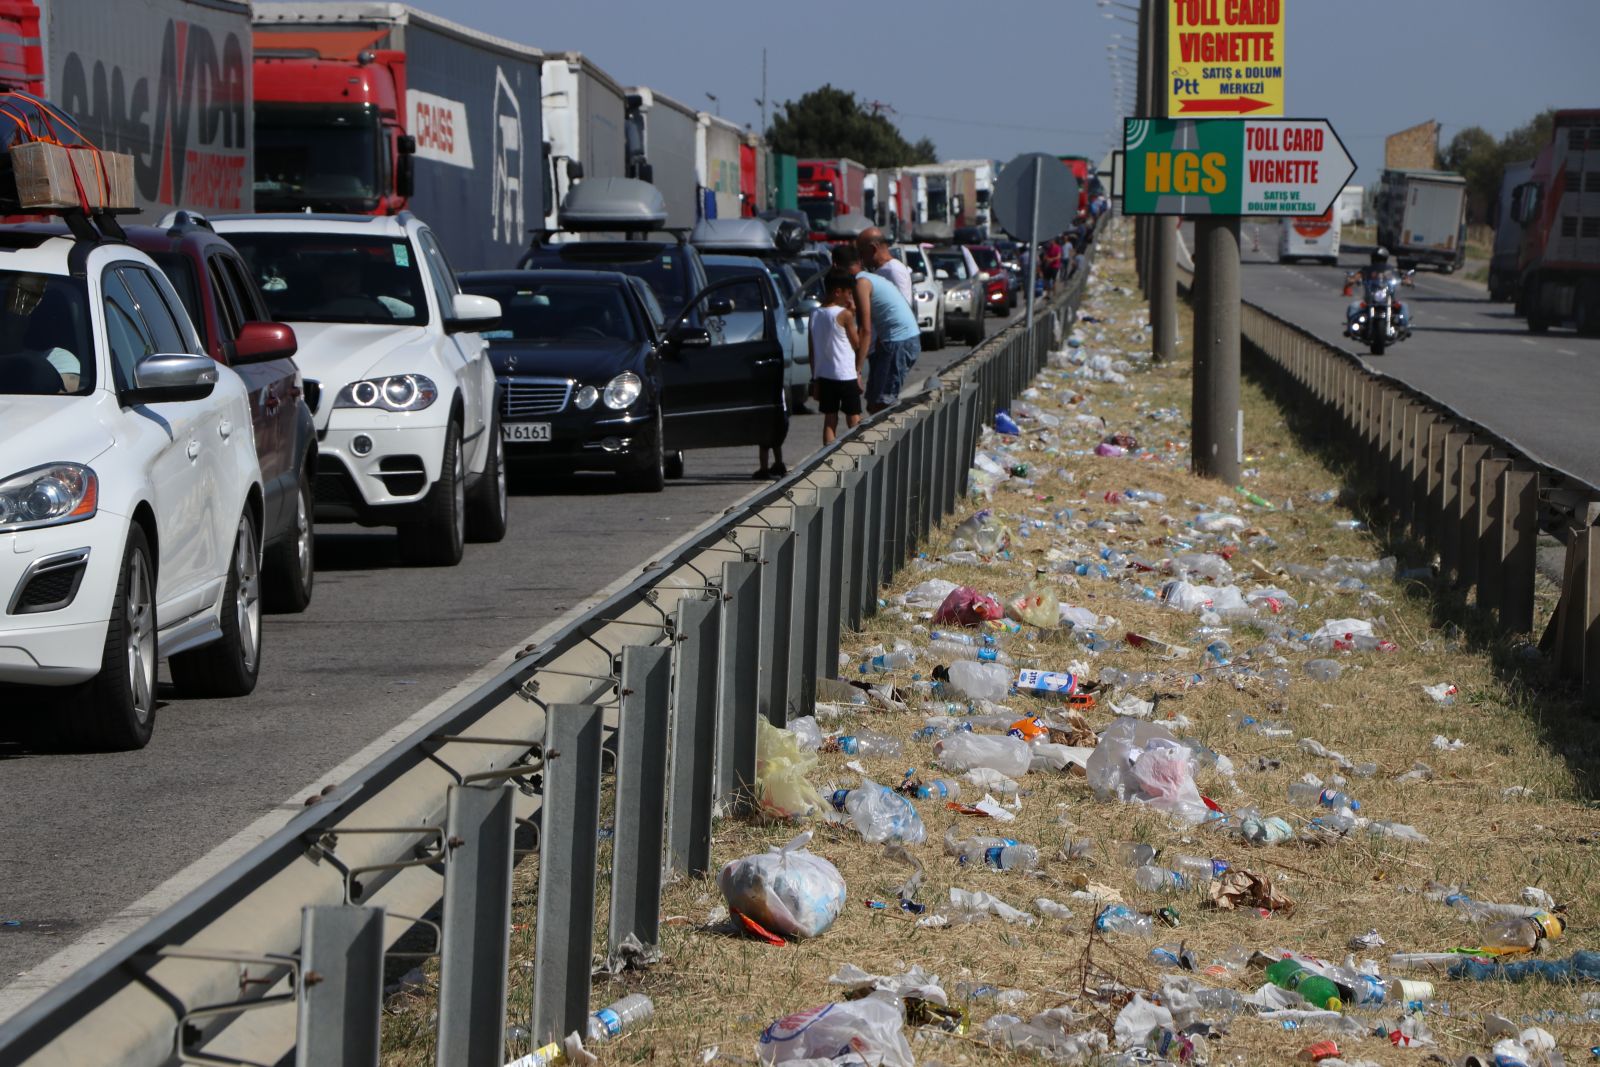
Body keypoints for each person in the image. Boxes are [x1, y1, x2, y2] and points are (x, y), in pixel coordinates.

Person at [832, 242, 920, 415]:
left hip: (899, 342)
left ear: (835, 265)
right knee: (873, 402)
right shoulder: (869, 278)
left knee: (882, 403)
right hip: (896, 340)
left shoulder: (861, 283)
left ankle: (894, 441)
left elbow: (865, 330)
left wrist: (856, 369)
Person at [807, 268, 865, 444]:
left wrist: (815, 377)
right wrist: (855, 315)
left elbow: (812, 350)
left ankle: (827, 456)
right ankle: (857, 453)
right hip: (845, 374)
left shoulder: (814, 314)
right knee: (854, 418)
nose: (849, 298)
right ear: (837, 292)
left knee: (830, 420)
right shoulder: (844, 315)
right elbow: (857, 344)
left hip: (824, 375)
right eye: (848, 293)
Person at [1344, 247, 1412, 333]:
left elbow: (1403, 277)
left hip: (1388, 299)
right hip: (1370, 300)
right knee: (1353, 306)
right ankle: (1351, 328)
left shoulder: (1392, 270)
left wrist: (1406, 281)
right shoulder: (1367, 269)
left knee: (1403, 306)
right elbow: (1357, 276)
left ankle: (1403, 327)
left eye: (1381, 259)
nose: (1379, 261)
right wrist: (1352, 280)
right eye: (1377, 258)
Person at [860, 226, 913, 308]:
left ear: (872, 249)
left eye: (862, 252)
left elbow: (903, 307)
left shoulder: (894, 270)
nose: (861, 258)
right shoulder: (881, 270)